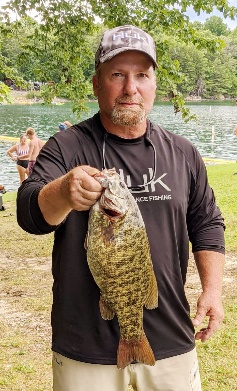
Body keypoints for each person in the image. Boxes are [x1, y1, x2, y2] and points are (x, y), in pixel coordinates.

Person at [17, 25, 225, 391]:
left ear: (154, 84)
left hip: (171, 337)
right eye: (117, 75)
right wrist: (63, 192)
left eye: (142, 75)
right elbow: (29, 213)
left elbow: (207, 222)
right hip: (84, 342)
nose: (131, 88)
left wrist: (212, 291)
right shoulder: (66, 147)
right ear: (97, 84)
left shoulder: (182, 152)